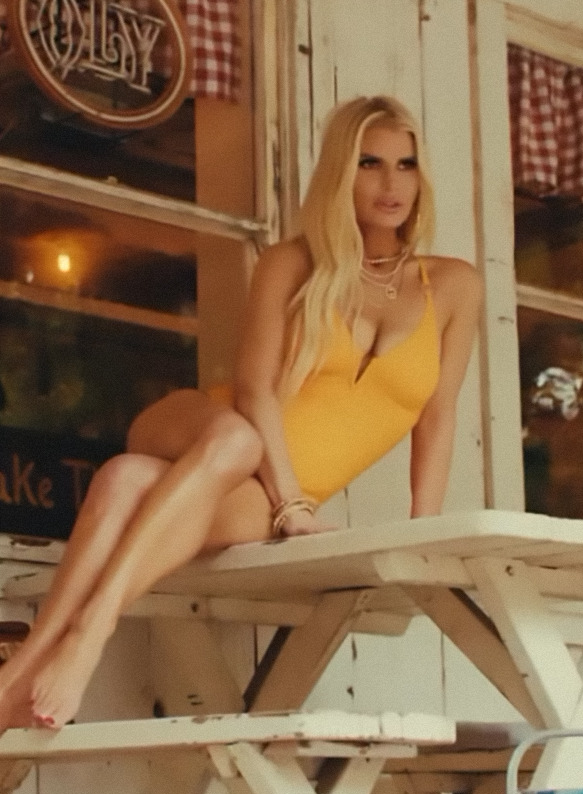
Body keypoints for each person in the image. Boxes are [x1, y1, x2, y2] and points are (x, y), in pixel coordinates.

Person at [0, 95, 483, 731]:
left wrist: (425, 530)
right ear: (342, 171)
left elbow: (438, 416)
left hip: (258, 492)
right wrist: (291, 506)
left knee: (122, 481)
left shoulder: (453, 285)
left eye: (405, 165)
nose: (391, 183)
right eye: (370, 163)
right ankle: (90, 633)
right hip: (205, 427)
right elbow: (254, 391)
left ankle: (16, 677)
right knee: (234, 438)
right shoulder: (293, 261)